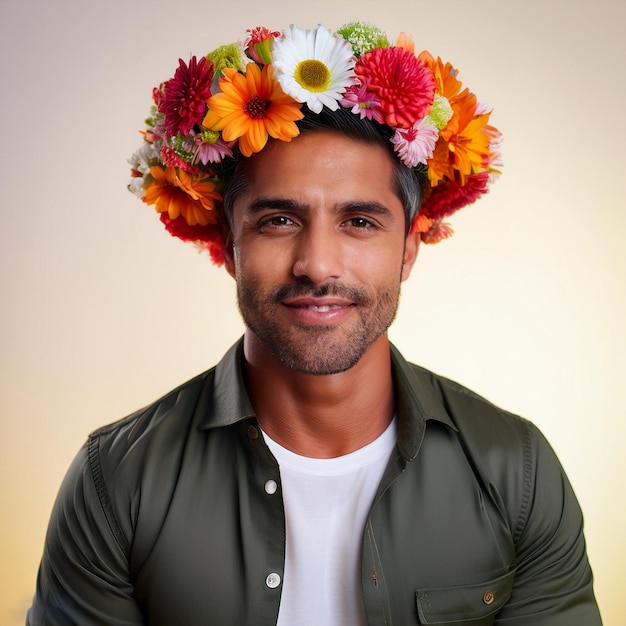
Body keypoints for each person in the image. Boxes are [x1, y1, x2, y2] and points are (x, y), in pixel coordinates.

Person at [27, 22, 602, 626]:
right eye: (278, 220)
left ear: (409, 248)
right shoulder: (115, 481)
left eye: (359, 221)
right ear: (228, 244)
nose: (317, 265)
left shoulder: (517, 472)